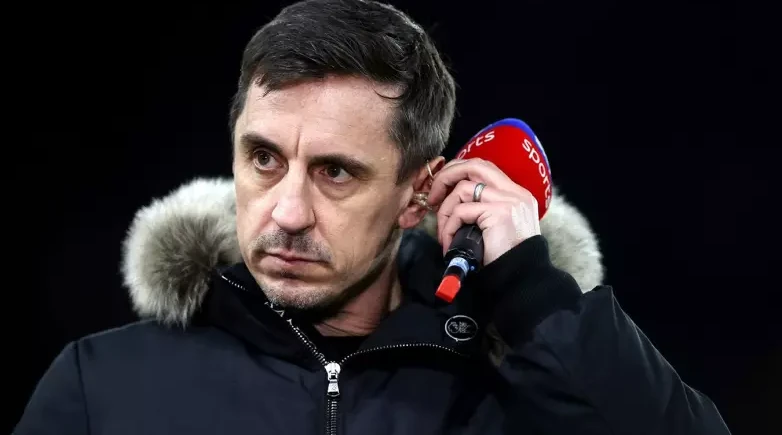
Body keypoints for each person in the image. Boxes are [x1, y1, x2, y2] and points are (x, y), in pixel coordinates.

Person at [16, 0, 731, 433]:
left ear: (419, 193)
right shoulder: (99, 385)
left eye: (336, 171)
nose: (287, 211)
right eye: (263, 158)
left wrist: (531, 293)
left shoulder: (521, 382)